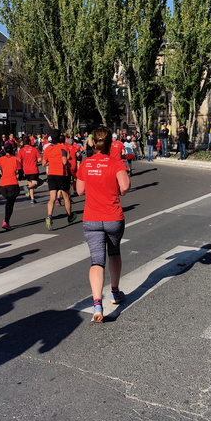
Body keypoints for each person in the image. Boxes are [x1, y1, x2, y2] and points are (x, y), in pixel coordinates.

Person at [76, 127, 131, 323]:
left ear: (93, 143)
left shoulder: (86, 163)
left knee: (96, 260)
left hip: (91, 218)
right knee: (114, 252)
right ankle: (114, 292)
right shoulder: (116, 163)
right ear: (110, 144)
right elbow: (125, 187)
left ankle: (97, 304)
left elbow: (79, 191)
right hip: (113, 217)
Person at [42, 128, 77, 230]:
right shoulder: (63, 147)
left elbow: (43, 164)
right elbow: (64, 161)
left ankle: (49, 216)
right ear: (60, 137)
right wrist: (69, 165)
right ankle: (69, 216)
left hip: (51, 174)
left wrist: (51, 162)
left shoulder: (47, 148)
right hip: (61, 173)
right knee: (66, 196)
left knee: (52, 198)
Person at [0, 143, 21, 230]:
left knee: (9, 201)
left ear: (4, 150)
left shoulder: (0, 159)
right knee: (10, 203)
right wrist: (20, 177)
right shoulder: (16, 159)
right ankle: (6, 221)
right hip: (12, 183)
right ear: (13, 150)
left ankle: (7, 221)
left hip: (3, 184)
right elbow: (20, 171)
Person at [17, 135, 42, 204]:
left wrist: (23, 163)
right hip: (33, 169)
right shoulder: (34, 149)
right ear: (29, 142)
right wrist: (35, 161)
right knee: (35, 184)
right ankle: (27, 188)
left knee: (30, 183)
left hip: (26, 169)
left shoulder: (21, 150)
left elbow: (18, 159)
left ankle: (32, 199)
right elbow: (40, 159)